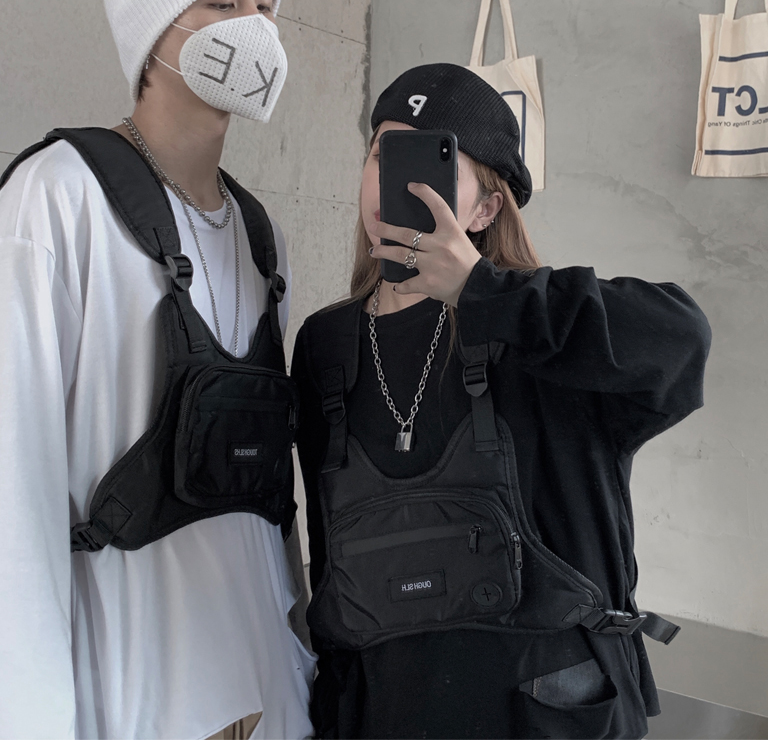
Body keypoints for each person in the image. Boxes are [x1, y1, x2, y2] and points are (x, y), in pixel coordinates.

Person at [292, 63, 711, 740]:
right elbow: (332, 556)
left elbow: (681, 339)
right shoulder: (326, 344)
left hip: (545, 716)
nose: (393, 183)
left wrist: (483, 292)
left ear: (486, 209)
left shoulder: (537, 330)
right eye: (381, 155)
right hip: (386, 713)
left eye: (428, 161)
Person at [0, 0, 315, 737]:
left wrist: (303, 665)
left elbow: (269, 502)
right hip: (131, 700)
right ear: (153, 33)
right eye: (222, 5)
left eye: (265, 7)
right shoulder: (56, 200)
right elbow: (5, 505)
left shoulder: (261, 236)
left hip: (272, 700)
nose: (254, 29)